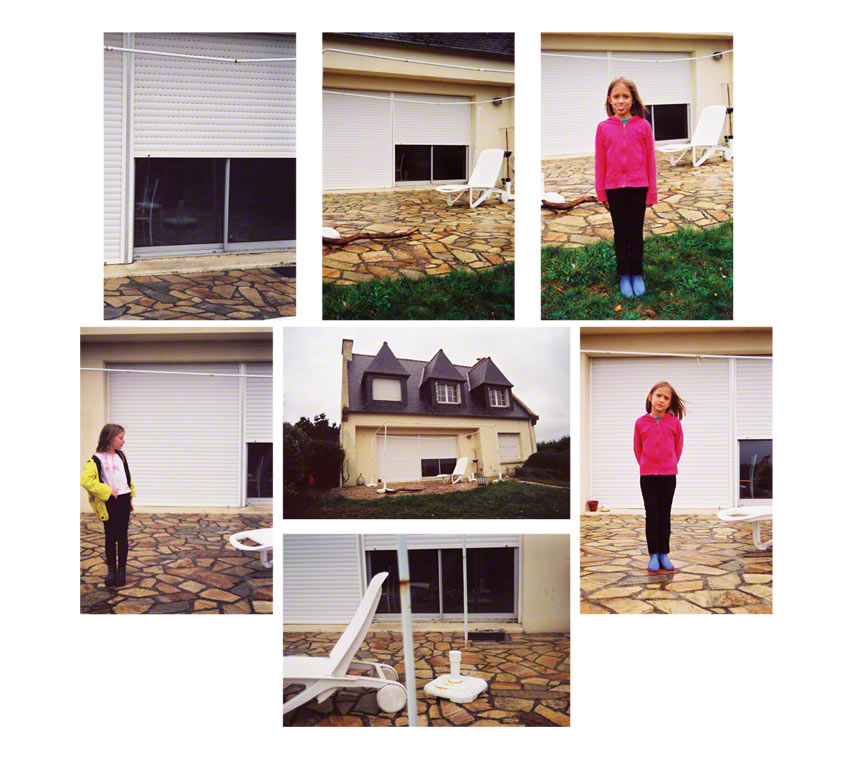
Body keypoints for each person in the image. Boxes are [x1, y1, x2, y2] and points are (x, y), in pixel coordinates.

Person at [595, 77, 658, 298]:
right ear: (610, 101)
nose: (621, 101)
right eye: (616, 97)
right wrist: (601, 191)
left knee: (635, 232)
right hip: (614, 189)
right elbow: (600, 162)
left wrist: (652, 192)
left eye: (625, 96)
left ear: (633, 100)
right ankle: (624, 274)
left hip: (638, 187)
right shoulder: (603, 128)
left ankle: (636, 273)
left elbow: (651, 161)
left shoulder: (643, 126)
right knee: (620, 233)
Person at [633, 382, 684, 573]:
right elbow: (637, 448)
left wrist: (669, 464)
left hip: (668, 476)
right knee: (651, 516)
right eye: (658, 396)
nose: (661, 400)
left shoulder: (674, 423)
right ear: (650, 397)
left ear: (670, 403)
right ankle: (653, 555)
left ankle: (664, 554)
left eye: (666, 398)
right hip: (647, 476)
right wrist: (646, 464)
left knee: (664, 515)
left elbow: (678, 448)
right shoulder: (640, 423)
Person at [81, 424, 135, 587]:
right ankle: (111, 571)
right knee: (111, 537)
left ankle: (121, 572)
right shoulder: (96, 459)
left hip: (124, 500)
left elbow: (127, 477)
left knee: (123, 536)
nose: (123, 441)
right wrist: (107, 491)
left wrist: (130, 496)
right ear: (110, 438)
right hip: (110, 501)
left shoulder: (122, 456)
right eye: (120, 438)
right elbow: (86, 480)